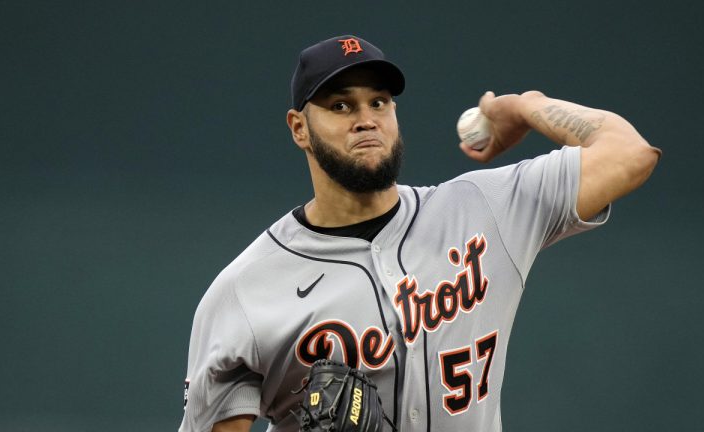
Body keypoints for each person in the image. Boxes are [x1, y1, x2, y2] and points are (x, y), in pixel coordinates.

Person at [178, 35, 660, 432]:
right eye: (341, 105)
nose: (366, 119)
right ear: (299, 128)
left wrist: (526, 106)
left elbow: (630, 153)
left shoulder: (484, 208)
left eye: (379, 102)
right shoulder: (244, 292)